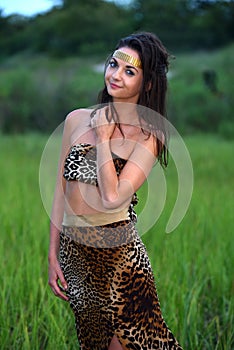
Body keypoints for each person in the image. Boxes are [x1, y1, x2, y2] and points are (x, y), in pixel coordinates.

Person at [48, 31, 183, 350]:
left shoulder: (148, 137)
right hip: (75, 253)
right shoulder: (76, 120)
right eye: (113, 64)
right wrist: (53, 253)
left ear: (147, 84)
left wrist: (106, 139)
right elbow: (59, 189)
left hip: (120, 258)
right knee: (93, 343)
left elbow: (113, 198)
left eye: (130, 71)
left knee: (129, 343)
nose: (116, 75)